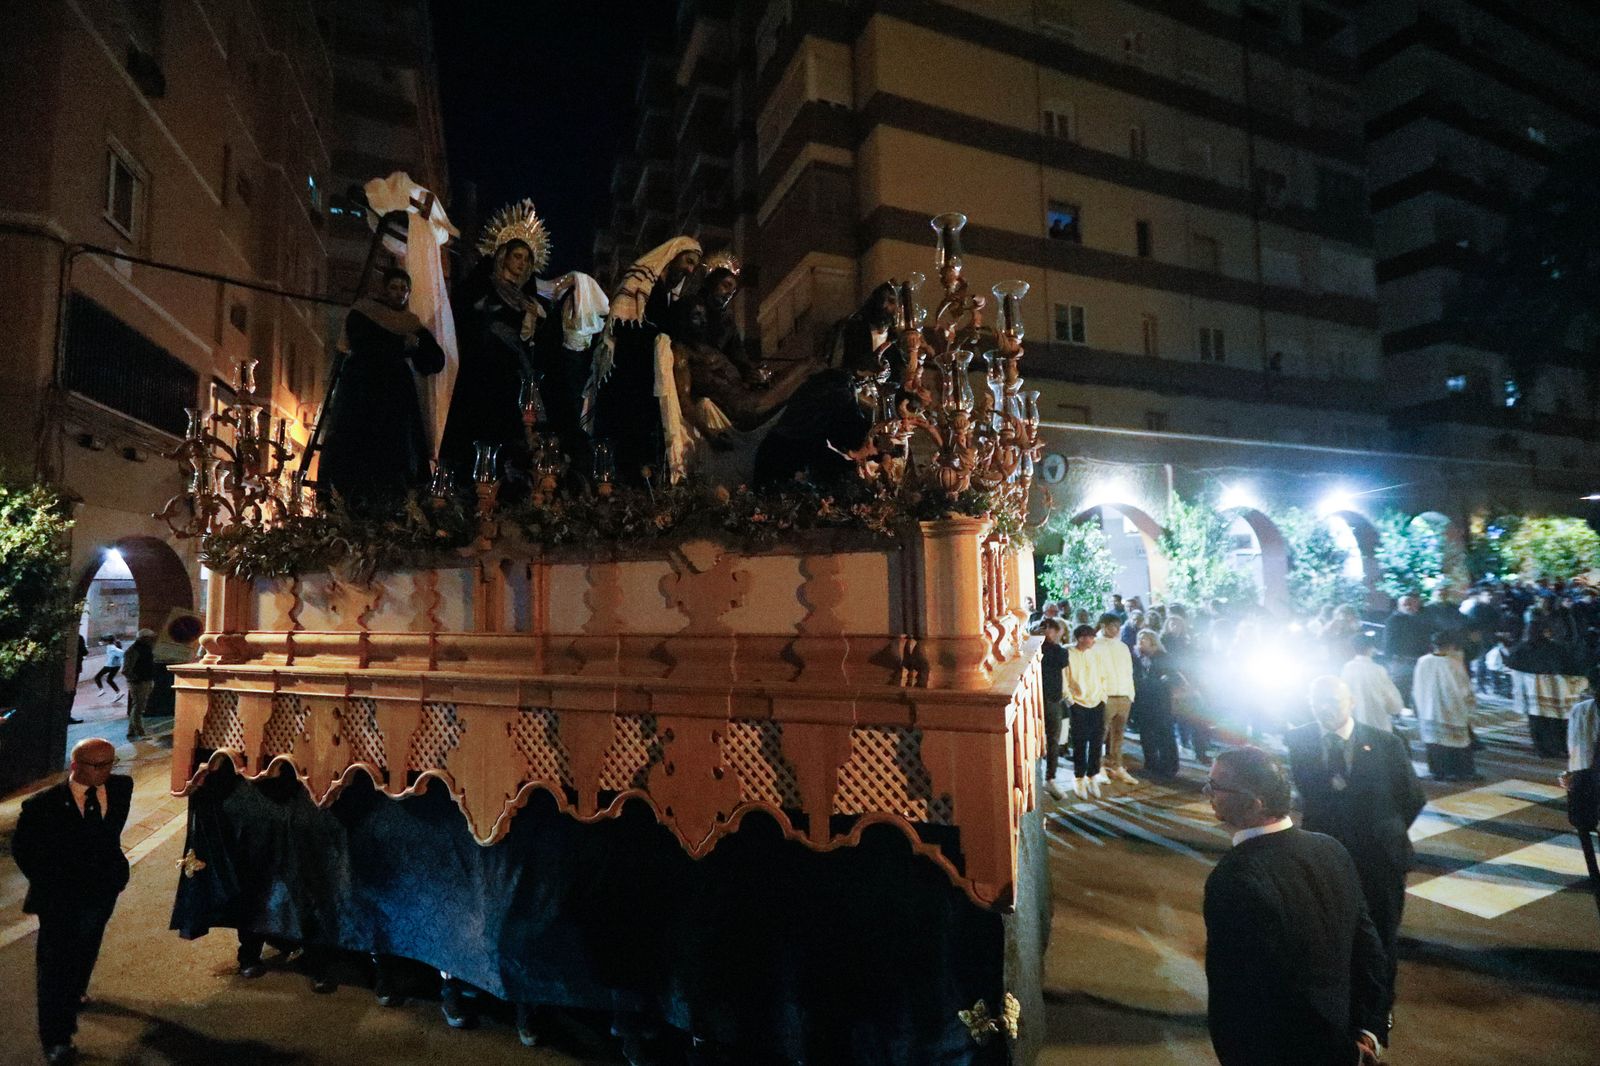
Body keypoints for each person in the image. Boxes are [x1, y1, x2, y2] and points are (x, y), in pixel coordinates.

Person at [1202, 746, 1388, 1066]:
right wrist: (1368, 1031)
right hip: (1349, 1035)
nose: (1208, 792)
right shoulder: (1330, 848)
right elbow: (1369, 949)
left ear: (1254, 803)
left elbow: (1247, 995)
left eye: (1217, 786)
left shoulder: (1234, 880)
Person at [1286, 676, 1425, 1028]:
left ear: (1351, 702)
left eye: (1333, 701)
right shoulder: (1300, 740)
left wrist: (1384, 832)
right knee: (1334, 931)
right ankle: (1344, 999)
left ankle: (1377, 1009)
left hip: (1380, 858)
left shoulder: (1385, 743)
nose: (1326, 709)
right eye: (1318, 702)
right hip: (1327, 857)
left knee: (1380, 934)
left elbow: (1412, 797)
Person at [12, 738, 133, 1065]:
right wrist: (51, 883)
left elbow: (110, 836)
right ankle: (57, 1037)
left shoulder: (122, 787)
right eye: (97, 765)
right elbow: (23, 850)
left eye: (110, 762)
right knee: (54, 966)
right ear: (75, 765)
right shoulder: (43, 805)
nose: (105, 771)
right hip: (61, 898)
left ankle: (77, 989)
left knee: (89, 942)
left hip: (103, 889)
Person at [317, 268, 447, 508]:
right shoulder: (364, 312)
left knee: (396, 453)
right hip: (362, 391)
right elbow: (363, 344)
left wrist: (416, 346)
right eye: (394, 288)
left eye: (404, 289)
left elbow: (434, 360)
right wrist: (401, 344)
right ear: (384, 289)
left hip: (396, 399)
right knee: (357, 449)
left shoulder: (410, 323)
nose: (399, 294)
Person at [588, 237, 704, 482]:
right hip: (627, 374)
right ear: (673, 255)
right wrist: (657, 336)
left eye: (695, 266)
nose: (690, 270)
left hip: (649, 379)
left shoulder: (667, 297)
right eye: (688, 261)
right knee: (623, 442)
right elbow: (621, 324)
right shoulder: (640, 281)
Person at [1508, 620, 1587, 759]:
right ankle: (1559, 747)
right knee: (1556, 721)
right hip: (1553, 693)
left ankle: (1542, 749)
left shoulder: (1520, 649)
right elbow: (1567, 666)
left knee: (1536, 722)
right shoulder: (1554, 648)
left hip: (1532, 694)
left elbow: (1512, 665)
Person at [1413, 630, 1476, 780]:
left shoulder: (1423, 661)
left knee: (1434, 741)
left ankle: (1437, 771)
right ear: (1451, 645)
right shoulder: (1453, 663)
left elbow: (1417, 685)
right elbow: (1463, 688)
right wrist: (1470, 704)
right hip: (1451, 709)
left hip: (1428, 708)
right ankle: (1460, 771)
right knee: (1455, 741)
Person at [1093, 612, 1138, 785]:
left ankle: (1117, 766)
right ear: (1103, 626)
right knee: (1100, 733)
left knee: (1119, 734)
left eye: (1118, 627)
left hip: (1124, 695)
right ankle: (1098, 767)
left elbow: (1129, 671)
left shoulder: (1122, 647)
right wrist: (1100, 694)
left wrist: (1130, 694)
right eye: (1112, 626)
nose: (1116, 630)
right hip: (1106, 696)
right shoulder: (1095, 645)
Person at [1065, 623, 1108, 799]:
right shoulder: (1068, 653)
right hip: (1078, 703)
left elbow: (1103, 676)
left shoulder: (1096, 654)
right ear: (1078, 638)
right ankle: (1079, 777)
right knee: (1080, 741)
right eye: (1085, 637)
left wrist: (1103, 696)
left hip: (1097, 701)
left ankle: (1092, 776)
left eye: (1091, 637)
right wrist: (1070, 700)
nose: (1089, 640)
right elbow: (1064, 677)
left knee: (1097, 740)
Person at [1132, 629, 1181, 779]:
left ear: (1152, 642)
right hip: (1143, 702)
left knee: (1164, 734)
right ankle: (1151, 763)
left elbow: (1173, 678)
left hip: (1160, 703)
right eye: (1139, 639)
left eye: (1143, 640)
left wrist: (1160, 681)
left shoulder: (1163, 657)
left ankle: (1169, 766)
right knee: (1146, 735)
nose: (1140, 643)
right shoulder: (1137, 659)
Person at [1340, 635, 1404, 733]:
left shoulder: (1346, 669)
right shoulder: (1378, 670)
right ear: (1371, 648)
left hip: (1354, 727)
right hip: (1378, 726)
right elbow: (1393, 702)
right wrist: (1396, 708)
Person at [1038, 618, 1068, 800]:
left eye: (1052, 629)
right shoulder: (1035, 647)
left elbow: (1059, 660)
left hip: (1053, 699)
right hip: (1037, 699)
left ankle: (1050, 777)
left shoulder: (1060, 651)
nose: (1048, 632)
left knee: (1053, 740)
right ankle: (1039, 777)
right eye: (1045, 628)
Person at [1382, 593, 1430, 705]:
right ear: (1399, 606)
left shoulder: (1421, 621)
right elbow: (1388, 642)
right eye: (1405, 604)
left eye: (1411, 604)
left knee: (1418, 692)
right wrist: (1389, 659)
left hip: (1417, 661)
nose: (1408, 607)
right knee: (1399, 690)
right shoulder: (1393, 621)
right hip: (1400, 661)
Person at [121, 628, 156, 740]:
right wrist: (136, 679)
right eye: (150, 638)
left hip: (143, 680)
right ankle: (139, 731)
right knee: (139, 707)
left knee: (138, 706)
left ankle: (132, 730)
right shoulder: (135, 650)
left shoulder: (144, 649)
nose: (153, 640)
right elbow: (126, 669)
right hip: (139, 682)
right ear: (144, 638)